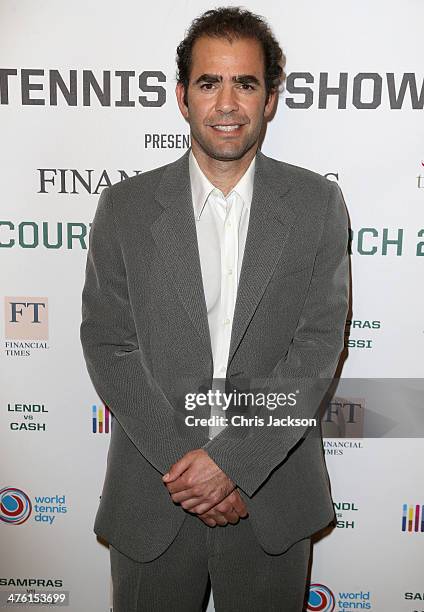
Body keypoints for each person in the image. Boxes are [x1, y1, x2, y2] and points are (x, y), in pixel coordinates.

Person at [80, 6, 350, 612]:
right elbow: (108, 343)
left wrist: (233, 462)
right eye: (209, 82)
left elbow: (315, 347)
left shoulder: (317, 204)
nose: (227, 103)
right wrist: (187, 463)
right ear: (182, 96)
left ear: (270, 99)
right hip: (154, 497)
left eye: (246, 83)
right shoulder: (123, 208)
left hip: (272, 500)